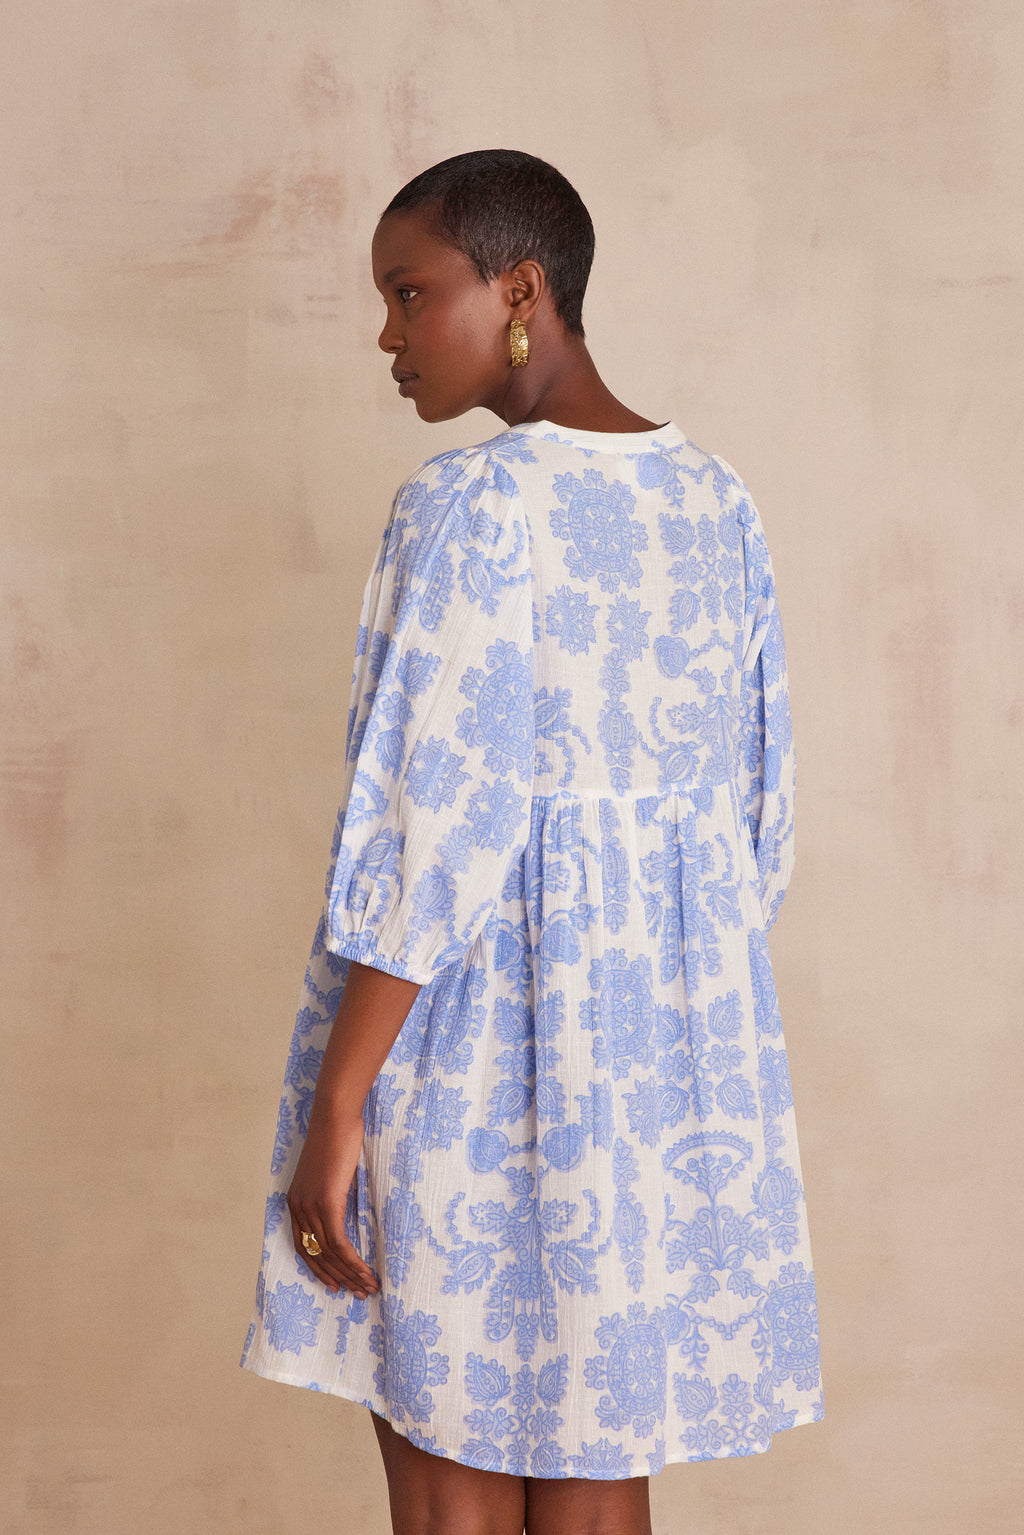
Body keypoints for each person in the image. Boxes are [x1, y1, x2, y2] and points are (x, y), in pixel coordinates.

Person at [240, 149, 823, 1535]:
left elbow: (428, 831)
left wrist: (339, 1106)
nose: (386, 335)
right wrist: (643, 1022)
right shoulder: (718, 502)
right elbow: (756, 832)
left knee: (450, 1488)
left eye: (408, 293)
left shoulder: (470, 506)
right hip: (650, 1073)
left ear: (520, 289)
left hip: (464, 1055)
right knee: (598, 1475)